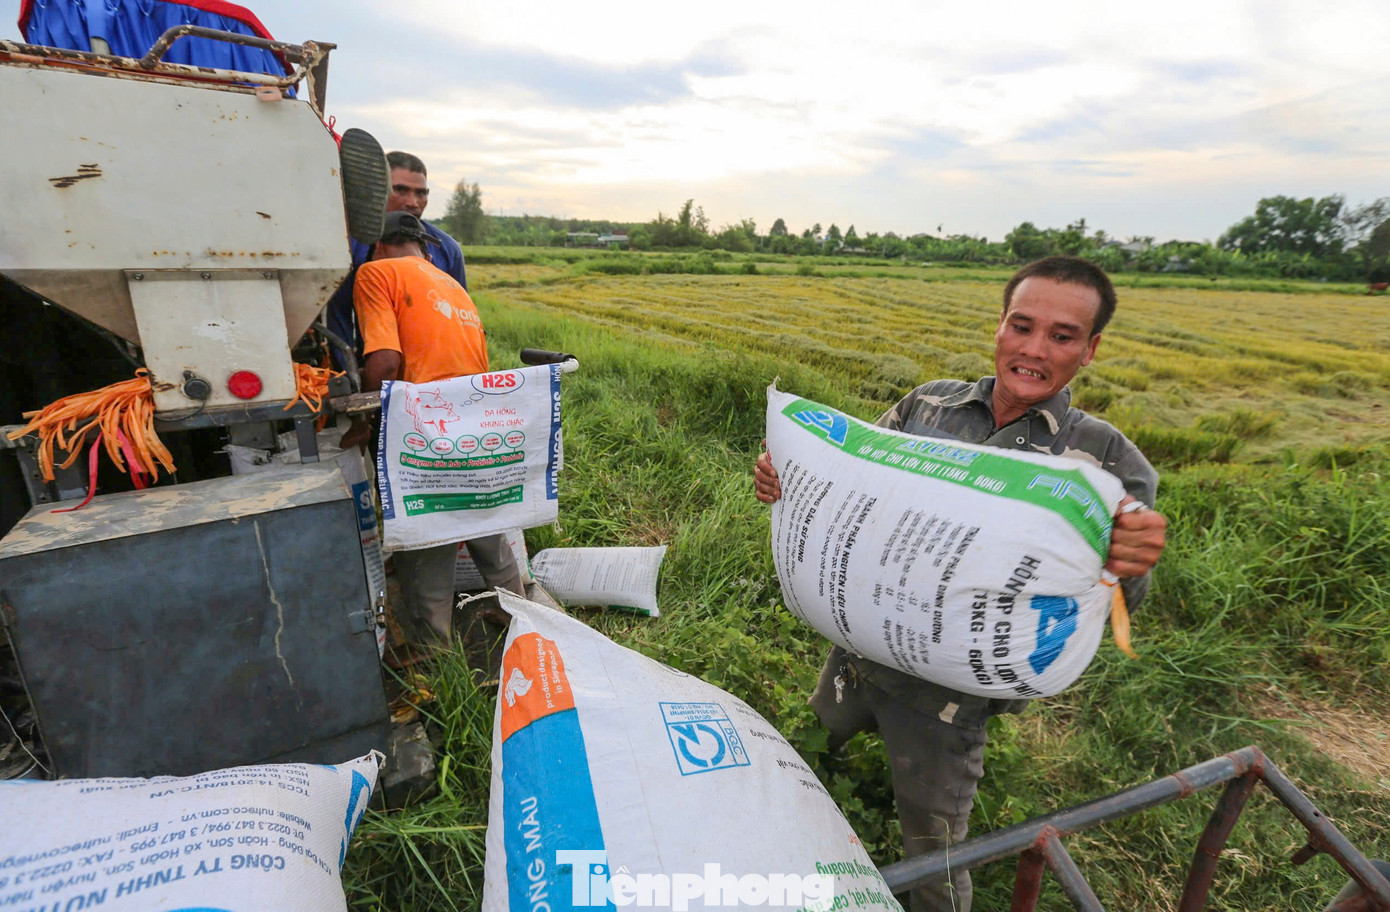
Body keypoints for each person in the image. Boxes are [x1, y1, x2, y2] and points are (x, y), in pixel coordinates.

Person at [753, 256, 1168, 912]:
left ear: (1090, 350)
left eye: (1061, 337)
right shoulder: (930, 403)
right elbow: (853, 483)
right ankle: (800, 846)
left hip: (945, 702)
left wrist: (1130, 565)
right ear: (1000, 325)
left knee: (937, 853)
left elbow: (1115, 604)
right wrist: (787, 482)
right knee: (811, 755)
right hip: (855, 654)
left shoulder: (1104, 462)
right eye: (1021, 325)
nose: (1034, 349)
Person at [342, 210, 523, 653]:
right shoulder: (451, 285)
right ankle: (517, 614)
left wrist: (364, 420)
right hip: (476, 417)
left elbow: (384, 360)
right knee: (484, 518)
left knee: (429, 537)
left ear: (380, 245)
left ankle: (436, 654)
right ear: (425, 248)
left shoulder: (375, 272)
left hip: (426, 422)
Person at [326, 151, 468, 366]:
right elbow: (339, 318)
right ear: (379, 189)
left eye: (421, 193)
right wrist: (348, 376)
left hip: (436, 372)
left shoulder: (447, 249)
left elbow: (463, 319)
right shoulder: (349, 243)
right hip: (378, 367)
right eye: (401, 190)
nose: (412, 202)